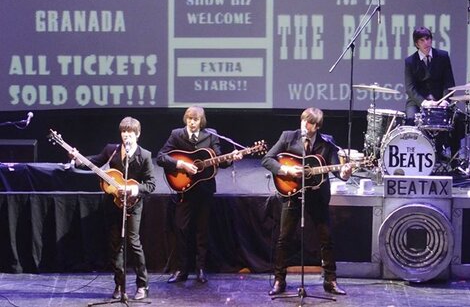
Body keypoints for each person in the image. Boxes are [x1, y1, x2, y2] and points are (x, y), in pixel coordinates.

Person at [261, 107, 352, 296]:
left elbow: (337, 170)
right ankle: (279, 280)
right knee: (284, 238)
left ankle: (330, 281)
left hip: (317, 196)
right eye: (303, 120)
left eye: (309, 122)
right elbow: (267, 159)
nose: (304, 124)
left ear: (316, 126)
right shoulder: (288, 136)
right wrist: (285, 171)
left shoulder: (327, 142)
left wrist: (344, 172)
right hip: (293, 195)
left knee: (326, 239)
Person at [71, 116, 156, 301]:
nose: (126, 136)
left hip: (133, 205)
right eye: (124, 132)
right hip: (112, 204)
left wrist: (132, 188)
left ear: (138, 135)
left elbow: (150, 185)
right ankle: (120, 284)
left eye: (130, 133)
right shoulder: (112, 150)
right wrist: (78, 159)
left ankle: (143, 285)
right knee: (115, 245)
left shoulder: (145, 155)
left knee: (134, 244)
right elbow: (94, 161)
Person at [156, 106, 242, 284]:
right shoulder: (176, 134)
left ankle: (201, 269)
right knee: (181, 229)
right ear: (185, 120)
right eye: (189, 119)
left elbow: (219, 161)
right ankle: (181, 269)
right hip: (184, 190)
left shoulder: (211, 135)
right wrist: (181, 164)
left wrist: (231, 157)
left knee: (202, 230)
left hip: (204, 190)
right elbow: (161, 157)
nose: (192, 123)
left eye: (195, 120)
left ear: (201, 121)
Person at [404, 26, 464, 170]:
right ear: (417, 43)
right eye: (422, 40)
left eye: (428, 39)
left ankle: (454, 162)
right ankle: (415, 161)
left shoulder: (442, 56)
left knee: (457, 120)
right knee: (411, 119)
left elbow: (449, 82)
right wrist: (424, 102)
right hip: (418, 101)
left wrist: (445, 100)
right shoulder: (410, 61)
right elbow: (410, 88)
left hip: (440, 101)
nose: (426, 43)